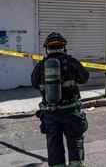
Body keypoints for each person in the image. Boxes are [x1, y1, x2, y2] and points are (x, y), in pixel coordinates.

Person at [31, 32, 89, 167]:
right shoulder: (71, 62)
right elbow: (84, 78)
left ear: (47, 48)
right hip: (71, 113)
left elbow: (34, 83)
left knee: (54, 149)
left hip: (50, 115)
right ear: (64, 47)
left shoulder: (41, 65)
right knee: (75, 146)